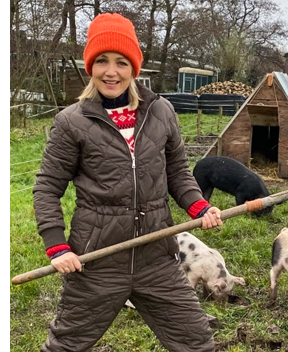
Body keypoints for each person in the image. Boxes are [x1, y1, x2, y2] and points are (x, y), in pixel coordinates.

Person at [32, 13, 224, 352]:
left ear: (134, 67)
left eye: (121, 62)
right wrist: (56, 246)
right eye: (102, 61)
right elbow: (48, 187)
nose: (111, 71)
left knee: (196, 342)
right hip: (97, 260)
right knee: (66, 346)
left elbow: (177, 171)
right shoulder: (71, 122)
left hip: (157, 257)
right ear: (90, 65)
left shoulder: (161, 111)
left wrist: (199, 205)